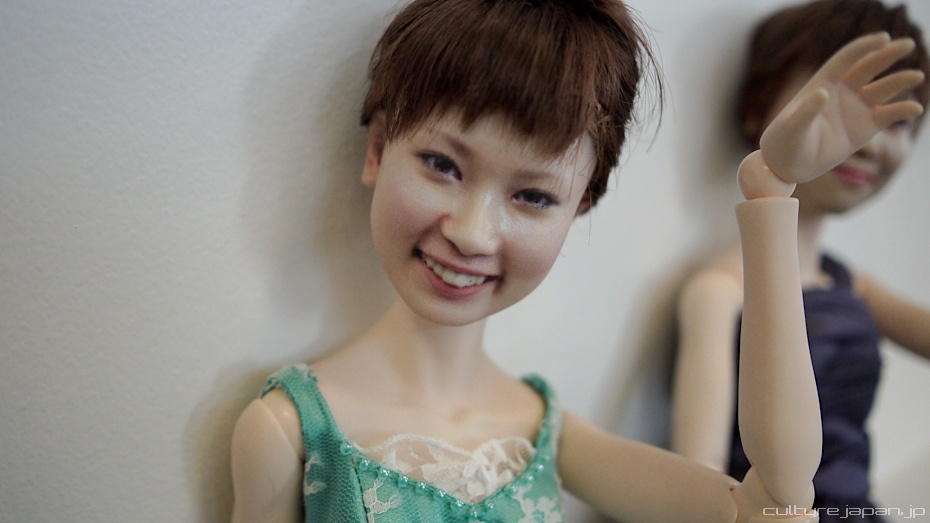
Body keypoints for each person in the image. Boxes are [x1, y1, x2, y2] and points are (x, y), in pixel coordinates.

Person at [231, 0, 924, 521]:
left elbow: (773, 510)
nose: (473, 233)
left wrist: (772, 196)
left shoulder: (547, 433)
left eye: (533, 196)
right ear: (378, 149)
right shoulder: (290, 431)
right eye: (442, 164)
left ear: (580, 206)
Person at [671, 1, 930, 521]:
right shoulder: (721, 291)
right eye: (836, 107)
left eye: (897, 120)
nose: (869, 144)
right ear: (756, 109)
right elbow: (698, 485)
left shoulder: (846, 282)